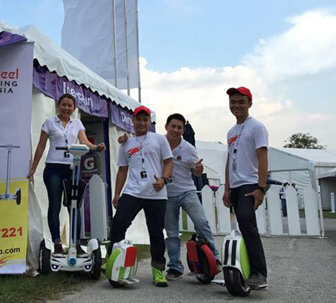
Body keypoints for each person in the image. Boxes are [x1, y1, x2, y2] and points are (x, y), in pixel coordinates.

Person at [28, 93, 105, 254]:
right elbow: (41, 146)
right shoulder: (49, 122)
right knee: (55, 206)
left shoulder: (77, 123)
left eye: (70, 105)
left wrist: (95, 147)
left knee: (74, 206)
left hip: (72, 168)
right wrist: (34, 167)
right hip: (53, 168)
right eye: (64, 104)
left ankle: (75, 244)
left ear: (74, 108)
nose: (66, 108)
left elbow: (84, 141)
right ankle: (56, 242)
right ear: (58, 105)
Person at [110, 105, 173, 287]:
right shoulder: (126, 143)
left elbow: (168, 162)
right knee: (118, 224)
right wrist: (117, 194)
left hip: (156, 193)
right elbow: (122, 170)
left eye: (145, 120)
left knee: (156, 232)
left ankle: (158, 270)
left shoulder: (159, 139)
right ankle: (115, 264)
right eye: (138, 119)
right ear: (133, 121)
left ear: (149, 122)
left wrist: (163, 179)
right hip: (133, 191)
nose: (142, 122)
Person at [160, 113, 221, 280]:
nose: (175, 130)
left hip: (187, 191)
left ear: (183, 129)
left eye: (179, 127)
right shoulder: (158, 143)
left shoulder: (188, 148)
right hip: (167, 194)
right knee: (172, 233)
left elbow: (195, 169)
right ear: (166, 126)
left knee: (201, 222)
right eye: (173, 126)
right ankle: (175, 267)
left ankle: (214, 258)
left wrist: (198, 169)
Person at [223, 87, 268, 288]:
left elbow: (262, 157)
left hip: (250, 182)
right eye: (233, 102)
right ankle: (244, 267)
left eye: (241, 102)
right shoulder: (231, 131)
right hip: (235, 186)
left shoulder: (257, 127)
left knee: (246, 221)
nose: (236, 106)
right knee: (241, 225)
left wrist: (261, 187)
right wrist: (227, 188)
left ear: (250, 103)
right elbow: (229, 159)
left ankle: (259, 272)